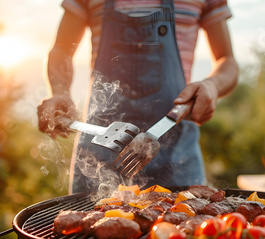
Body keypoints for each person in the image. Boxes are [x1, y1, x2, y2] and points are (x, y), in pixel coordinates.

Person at [38, 0, 238, 194]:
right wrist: (60, 91)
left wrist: (212, 85)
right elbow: (62, 49)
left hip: (177, 156)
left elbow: (226, 59)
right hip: (98, 155)